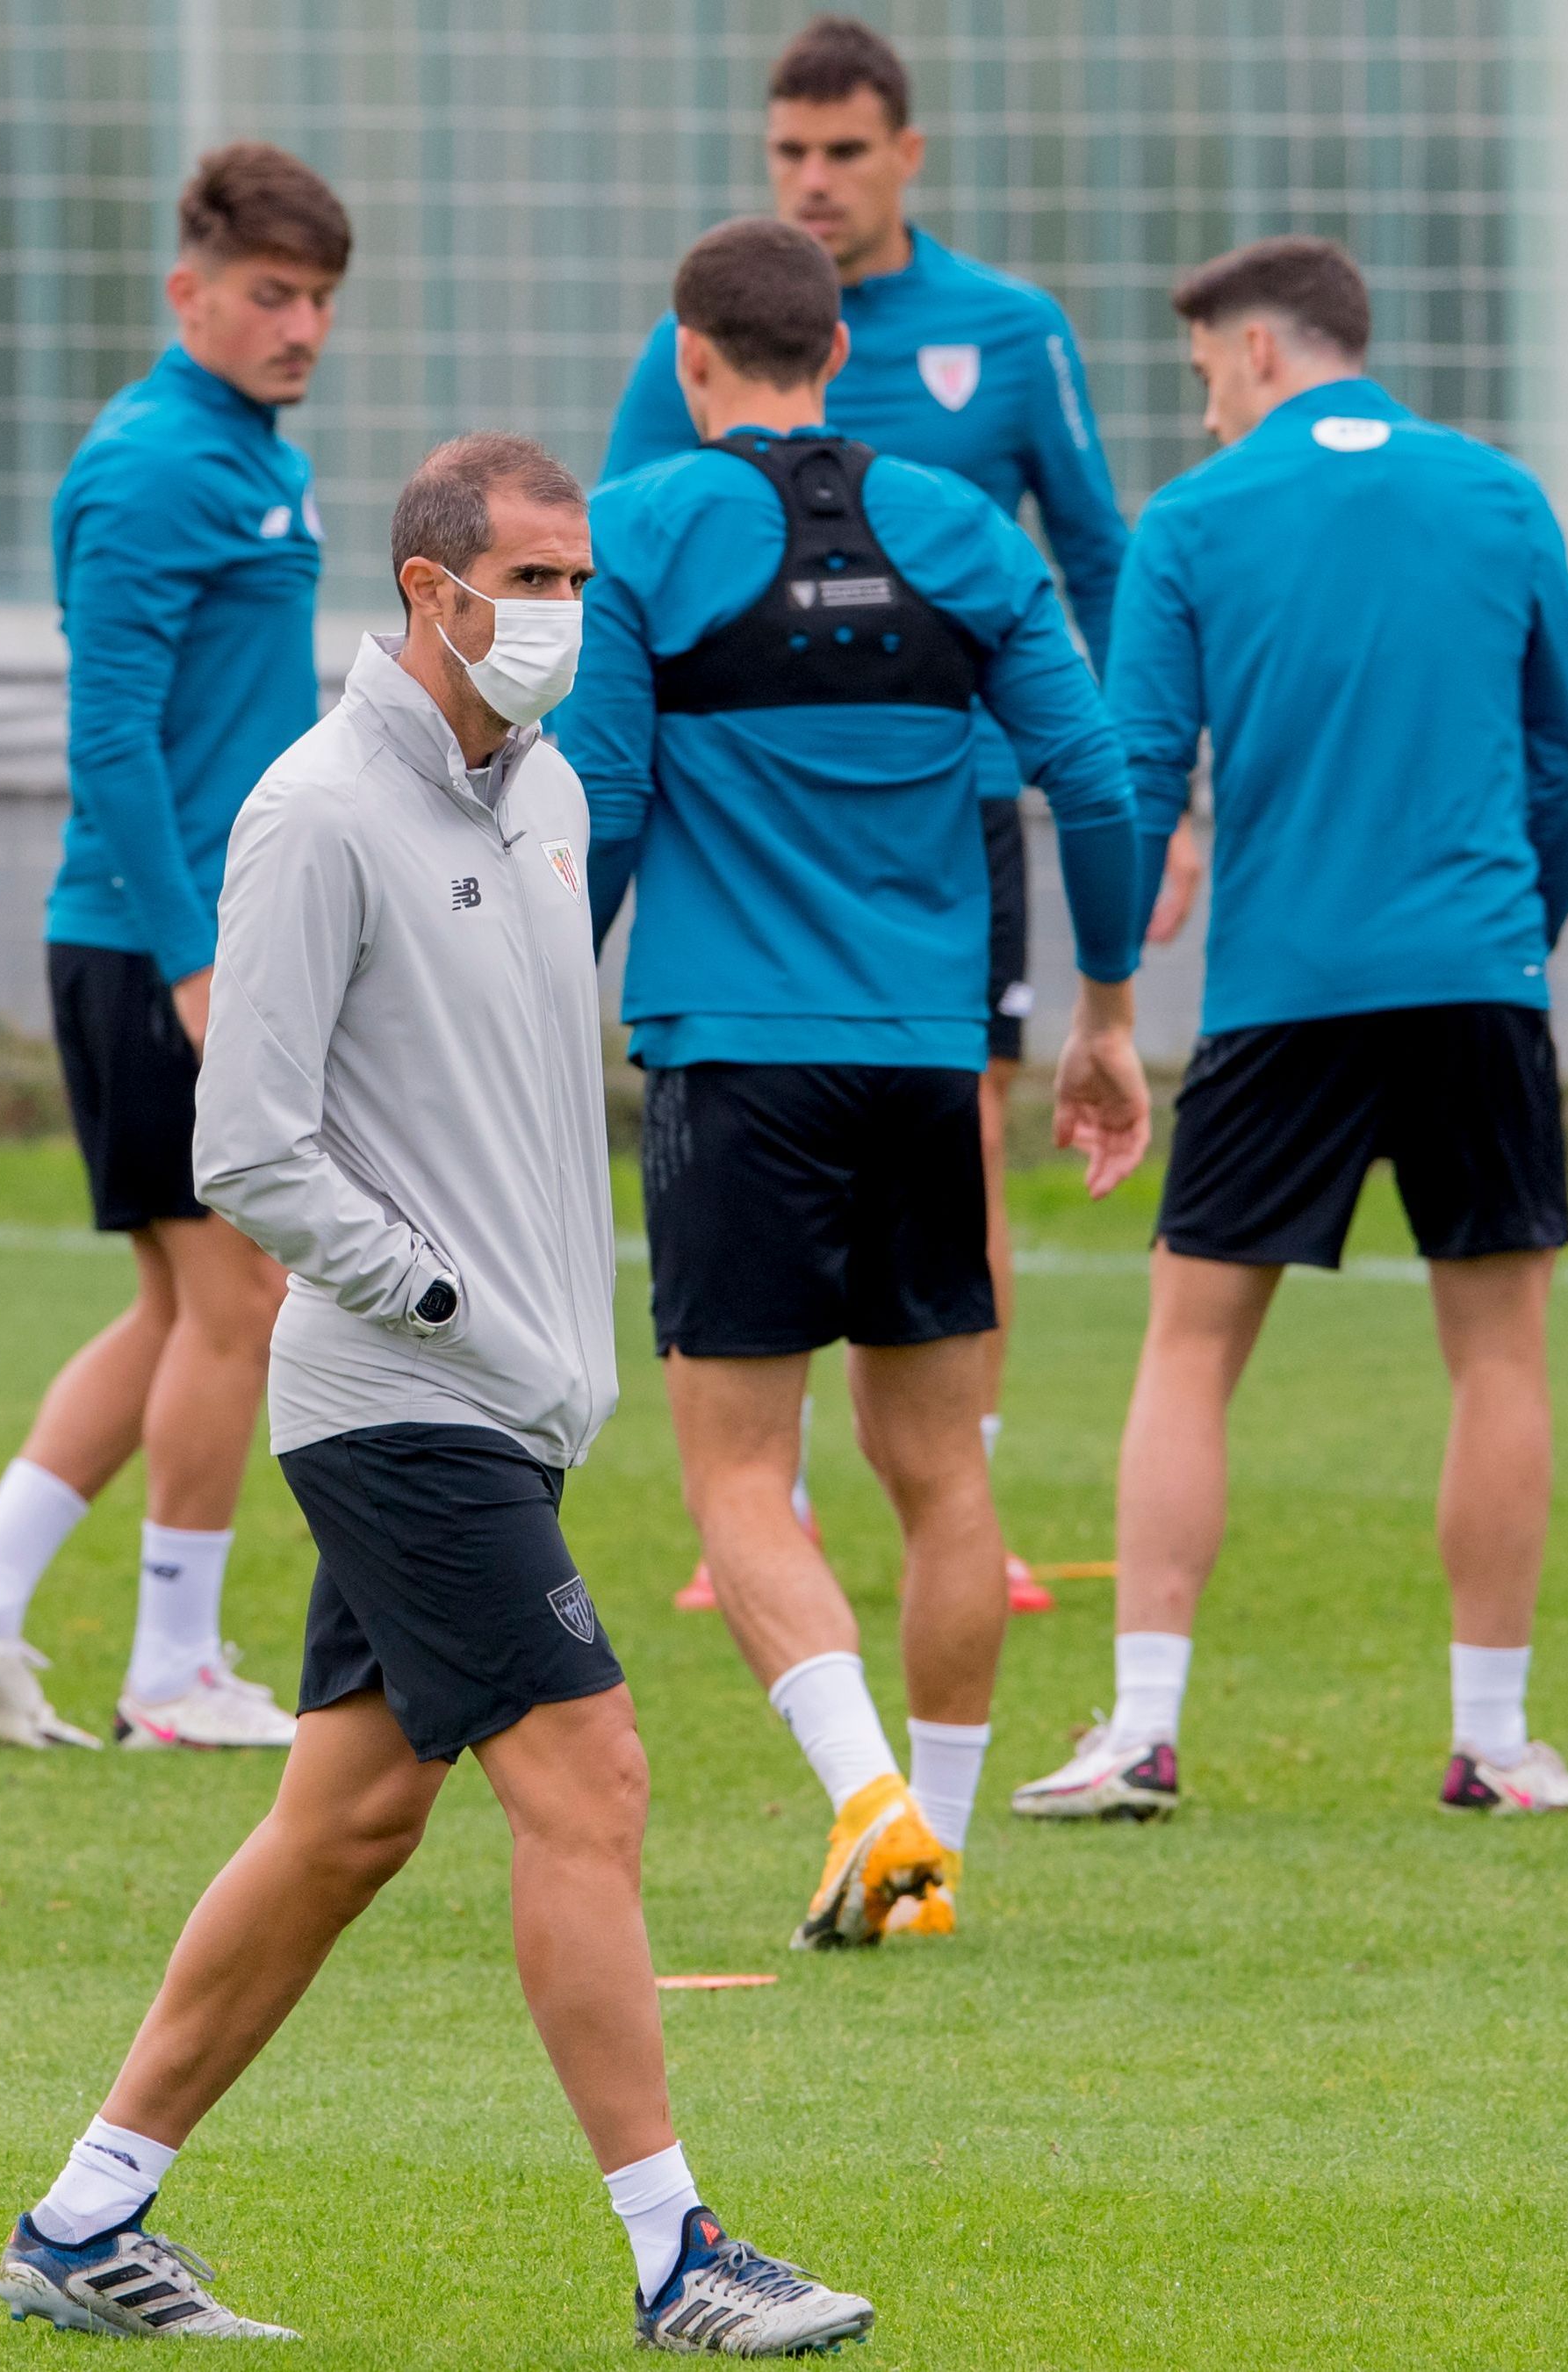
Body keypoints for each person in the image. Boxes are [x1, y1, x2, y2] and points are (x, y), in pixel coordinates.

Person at [0, 435, 877, 2357]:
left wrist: (551, 1333)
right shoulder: (314, 812)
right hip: (398, 1398)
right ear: (429, 589)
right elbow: (248, 1144)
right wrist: (437, 1289)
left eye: (579, 583)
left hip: (511, 1405)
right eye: (534, 579)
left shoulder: (547, 795)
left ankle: (83, 2218)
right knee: (594, 1779)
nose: (563, 615)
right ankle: (677, 2255)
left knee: (346, 1822)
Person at [563, 218, 1149, 1948]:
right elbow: (1097, 784)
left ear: (690, 361)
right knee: (943, 1470)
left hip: (735, 1068)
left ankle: (867, 1801)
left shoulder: (648, 529)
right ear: (839, 356)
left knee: (742, 1477)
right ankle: (937, 1848)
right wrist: (1106, 1014)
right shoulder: (962, 532)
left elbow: (594, 809)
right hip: (921, 1071)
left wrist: (532, 1016)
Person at [1011, 237, 1568, 1822]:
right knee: (1498, 1351)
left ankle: (1144, 1728)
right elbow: (1567, 770)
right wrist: (1507, 943)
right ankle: (1494, 1742)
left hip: (1286, 991)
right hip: (1481, 977)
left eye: (1205, 364)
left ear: (1263, 350)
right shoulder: (1503, 495)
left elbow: (1135, 767)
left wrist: (1108, 999)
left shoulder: (1194, 522)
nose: (1201, 398)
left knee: (1192, 1347)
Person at [605, 16, 1135, 1618]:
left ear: (907, 153)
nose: (816, 178)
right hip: (781, 833)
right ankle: (817, 1511)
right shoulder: (688, 339)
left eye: (843, 151)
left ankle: (893, 1466)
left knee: (961, 1132)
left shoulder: (1011, 328)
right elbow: (627, 572)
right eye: (791, 154)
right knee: (905, 1117)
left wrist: (1158, 802)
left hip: (950, 815)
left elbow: (1096, 559)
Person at [0, 145, 349, 1756]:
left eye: (320, 300)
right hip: (165, 947)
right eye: (271, 295)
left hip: (198, 937)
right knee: (239, 1298)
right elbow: (113, 737)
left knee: (177, 1303)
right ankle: (174, 1669)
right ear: (190, 293)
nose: (300, 326)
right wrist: (197, 963)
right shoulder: (157, 462)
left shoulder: (243, 453)